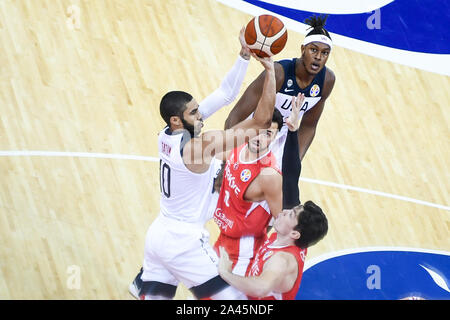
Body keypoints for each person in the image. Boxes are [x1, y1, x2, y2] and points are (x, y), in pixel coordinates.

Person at [128, 28, 278, 300]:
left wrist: (244, 56)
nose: (201, 115)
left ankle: (142, 281)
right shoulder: (200, 147)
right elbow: (261, 122)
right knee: (233, 302)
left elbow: (225, 93)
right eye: (195, 112)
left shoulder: (168, 134)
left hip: (159, 234)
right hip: (184, 241)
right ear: (177, 119)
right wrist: (270, 72)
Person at [224, 15, 336, 209]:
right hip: (257, 131)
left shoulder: (327, 81)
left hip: (284, 136)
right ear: (303, 50)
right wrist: (229, 152)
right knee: (237, 196)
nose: (319, 57)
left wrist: (293, 161)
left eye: (325, 53)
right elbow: (236, 115)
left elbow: (309, 125)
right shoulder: (279, 72)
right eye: (314, 50)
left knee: (276, 202)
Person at [212, 94, 305, 276]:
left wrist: (272, 257)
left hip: (243, 251)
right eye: (259, 130)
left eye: (268, 134)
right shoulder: (238, 148)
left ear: (276, 138)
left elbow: (284, 221)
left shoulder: (269, 174)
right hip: (223, 240)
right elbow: (209, 154)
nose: (259, 137)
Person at [218, 201, 328, 300]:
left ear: (294, 234)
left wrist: (226, 273)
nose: (284, 211)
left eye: (290, 215)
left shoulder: (281, 260)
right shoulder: (288, 239)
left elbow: (260, 289)